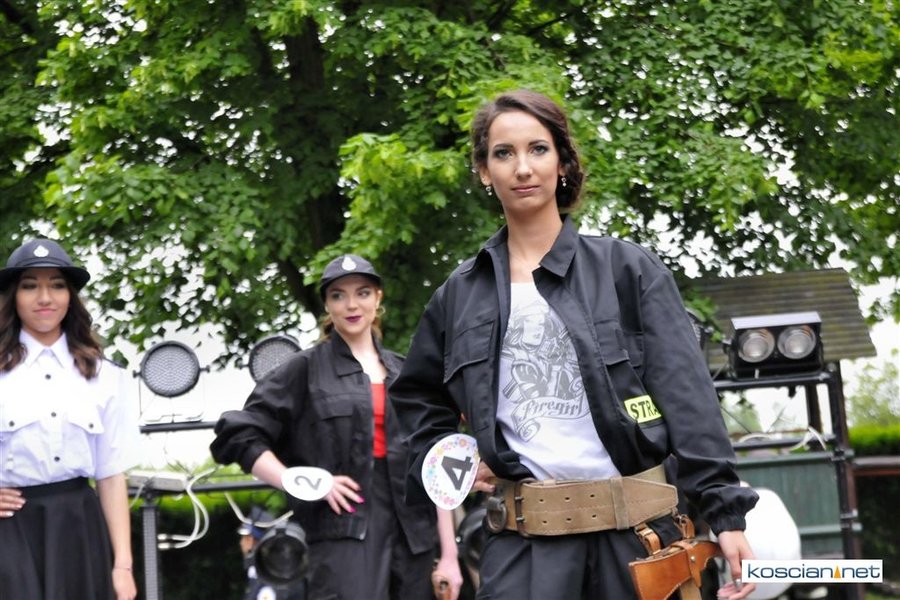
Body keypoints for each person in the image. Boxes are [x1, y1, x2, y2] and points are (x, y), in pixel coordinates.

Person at [389, 89, 759, 600]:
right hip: (522, 549)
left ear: (562, 162)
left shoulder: (627, 270)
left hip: (639, 540)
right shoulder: (459, 295)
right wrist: (454, 461)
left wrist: (726, 514)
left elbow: (688, 398)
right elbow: (417, 399)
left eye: (538, 149)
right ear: (484, 170)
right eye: (503, 153)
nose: (523, 167)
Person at [210, 254, 463, 600]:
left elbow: (437, 462)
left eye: (362, 292)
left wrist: (449, 555)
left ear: (378, 297)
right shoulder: (305, 369)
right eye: (338, 295)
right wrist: (297, 479)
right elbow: (238, 433)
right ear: (327, 306)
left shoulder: (407, 373)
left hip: (413, 536)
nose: (351, 304)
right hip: (342, 531)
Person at [0, 238, 141, 600]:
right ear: (14, 296)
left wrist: (123, 566)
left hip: (80, 529)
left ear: (70, 297)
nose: (44, 298)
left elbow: (110, 473)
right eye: (30, 286)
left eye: (57, 285)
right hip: (10, 533)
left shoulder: (105, 375)